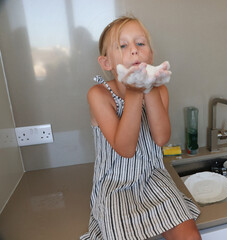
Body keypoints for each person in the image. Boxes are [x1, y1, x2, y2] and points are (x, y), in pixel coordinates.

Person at [81, 16, 201, 240]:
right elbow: (125, 149)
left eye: (140, 44)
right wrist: (135, 93)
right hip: (115, 186)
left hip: (153, 178)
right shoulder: (99, 95)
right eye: (123, 45)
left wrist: (149, 89)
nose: (134, 51)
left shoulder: (159, 90)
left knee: (191, 236)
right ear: (106, 63)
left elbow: (161, 137)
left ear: (151, 55)